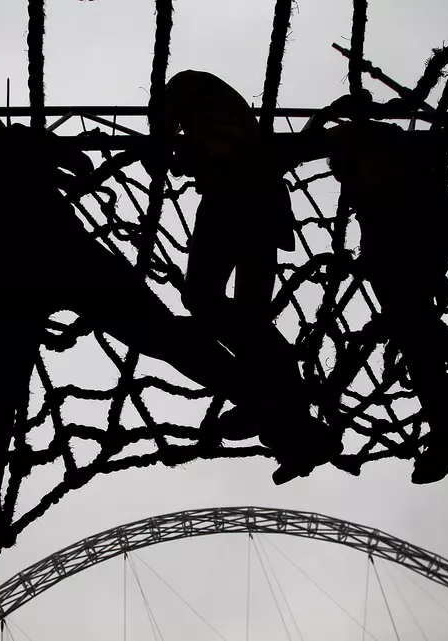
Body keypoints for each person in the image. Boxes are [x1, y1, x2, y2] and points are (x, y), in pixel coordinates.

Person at [0, 114, 317, 590]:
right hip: (64, 253)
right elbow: (75, 162)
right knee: (163, 337)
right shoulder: (14, 145)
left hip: (3, 274)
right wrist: (45, 155)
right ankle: (274, 410)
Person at [148, 70, 341, 484]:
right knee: (244, 312)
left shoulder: (195, 96)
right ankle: (289, 419)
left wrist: (164, 148)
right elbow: (192, 145)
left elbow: (177, 139)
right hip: (262, 203)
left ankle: (285, 412)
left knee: (204, 299)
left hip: (235, 196)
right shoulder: (221, 115)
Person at [287, 94, 448, 484]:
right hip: (425, 221)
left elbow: (301, 146)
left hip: (400, 224)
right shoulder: (391, 137)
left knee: (410, 325)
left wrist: (324, 114)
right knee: (410, 317)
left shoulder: (353, 138)